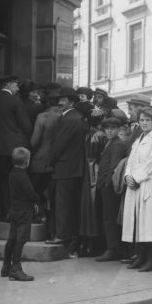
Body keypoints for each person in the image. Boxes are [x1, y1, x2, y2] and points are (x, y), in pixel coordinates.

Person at [121, 107, 152, 272]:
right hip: (136, 184)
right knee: (138, 220)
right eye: (141, 120)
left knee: (151, 222)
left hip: (150, 183)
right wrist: (127, 176)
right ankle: (141, 255)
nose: (144, 123)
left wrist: (136, 178)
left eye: (147, 120)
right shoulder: (138, 139)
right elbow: (131, 161)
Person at [0, 75, 33, 220]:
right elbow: (27, 126)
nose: (17, 89)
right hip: (13, 149)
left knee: (3, 182)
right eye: (16, 85)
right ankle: (16, 213)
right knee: (17, 182)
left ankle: (6, 212)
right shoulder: (15, 101)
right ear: (9, 85)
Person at [46, 87, 86, 256]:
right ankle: (67, 237)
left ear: (71, 101)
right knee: (68, 203)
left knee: (63, 203)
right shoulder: (75, 117)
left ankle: (62, 235)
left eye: (63, 100)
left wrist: (50, 161)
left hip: (66, 167)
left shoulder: (70, 119)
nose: (59, 103)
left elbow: (59, 144)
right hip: (72, 167)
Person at [1, 147, 40, 282]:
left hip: (14, 211)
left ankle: (6, 266)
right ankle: (16, 268)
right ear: (26, 162)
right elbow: (30, 192)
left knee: (12, 239)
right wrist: (37, 199)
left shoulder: (12, 174)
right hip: (24, 212)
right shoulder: (23, 176)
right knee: (20, 240)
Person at [76, 101, 108, 257]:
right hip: (95, 169)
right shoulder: (100, 135)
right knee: (94, 205)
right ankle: (94, 242)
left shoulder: (86, 133)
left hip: (86, 169)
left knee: (86, 206)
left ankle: (86, 242)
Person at [94, 116, 128, 262]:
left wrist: (107, 182)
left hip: (109, 186)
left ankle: (112, 249)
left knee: (110, 217)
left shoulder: (117, 144)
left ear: (118, 129)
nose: (109, 131)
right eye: (107, 128)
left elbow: (114, 166)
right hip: (105, 184)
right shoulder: (111, 142)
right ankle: (113, 248)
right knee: (109, 217)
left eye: (112, 128)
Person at [29, 86, 62, 229]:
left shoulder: (42, 117)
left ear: (47, 102)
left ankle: (39, 217)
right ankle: (51, 224)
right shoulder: (63, 116)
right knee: (53, 195)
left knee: (37, 192)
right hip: (57, 161)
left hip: (40, 160)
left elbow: (34, 141)